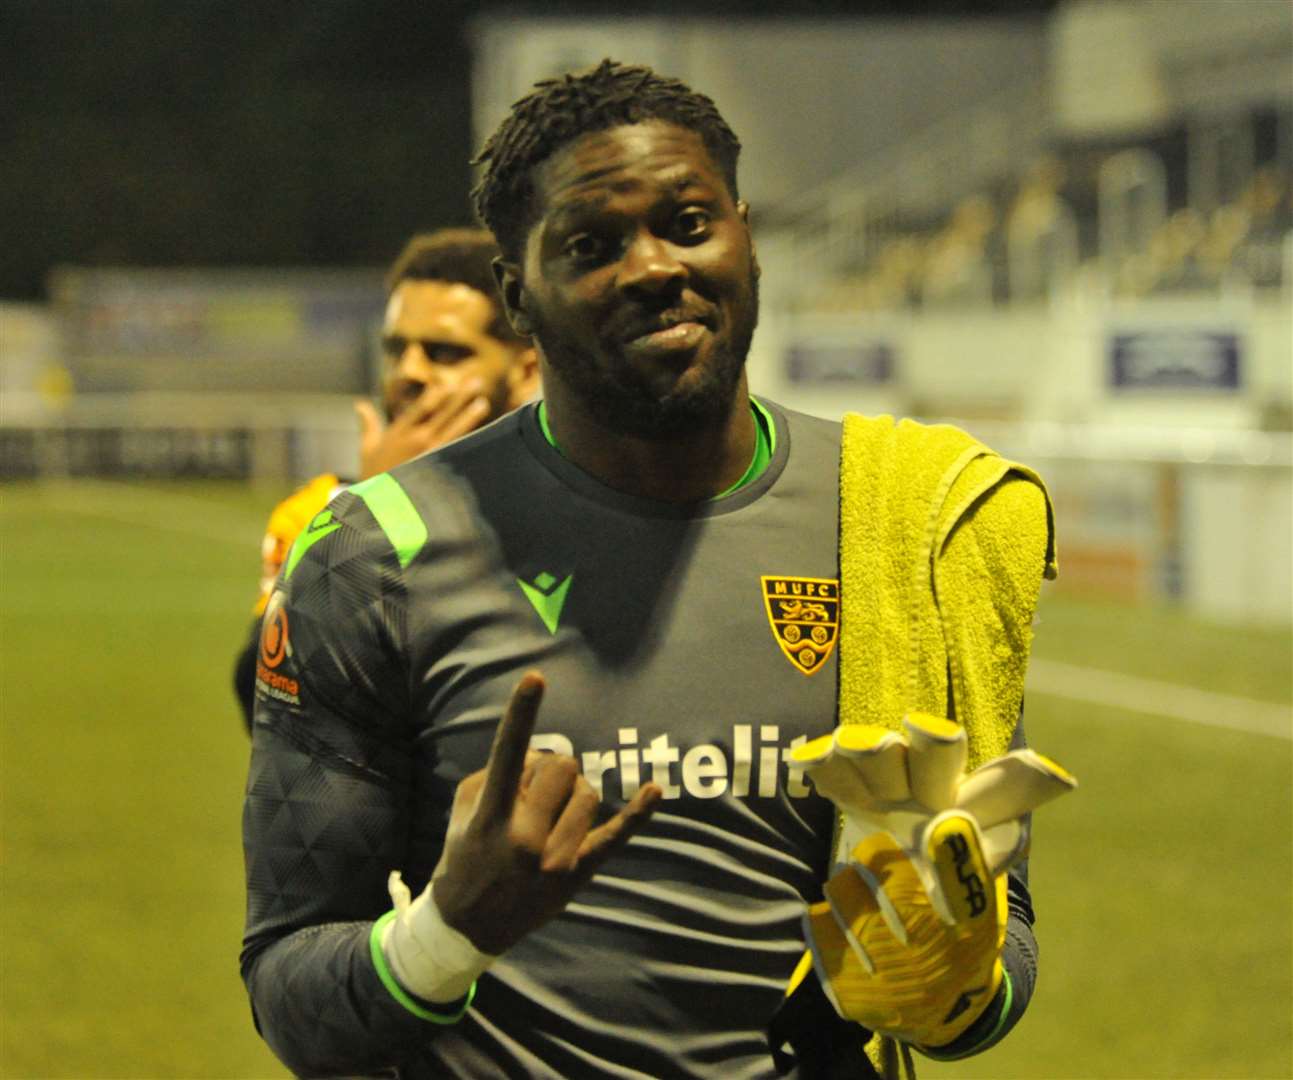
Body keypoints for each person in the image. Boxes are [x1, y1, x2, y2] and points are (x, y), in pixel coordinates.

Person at [241, 61, 1057, 1079]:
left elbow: (997, 919)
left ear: (748, 240)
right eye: (592, 244)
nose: (654, 267)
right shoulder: (375, 554)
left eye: (687, 221)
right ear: (516, 296)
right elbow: (287, 984)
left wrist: (958, 991)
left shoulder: (905, 525)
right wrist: (445, 934)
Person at [232, 228, 538, 731]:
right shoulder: (320, 512)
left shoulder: (573, 497)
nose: (409, 371)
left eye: (445, 352)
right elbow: (268, 703)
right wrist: (367, 517)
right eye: (398, 349)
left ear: (527, 370)